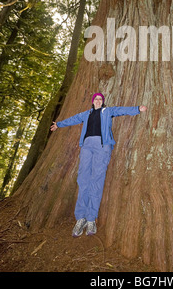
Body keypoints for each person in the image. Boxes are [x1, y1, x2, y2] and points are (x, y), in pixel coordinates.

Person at [50, 93, 147, 237]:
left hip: (102, 147)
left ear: (103, 102)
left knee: (96, 180)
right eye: (96, 99)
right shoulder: (86, 114)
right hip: (87, 147)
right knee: (83, 180)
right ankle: (80, 218)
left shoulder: (107, 111)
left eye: (100, 99)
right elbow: (73, 119)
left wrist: (137, 109)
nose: (98, 100)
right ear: (92, 101)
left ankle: (91, 219)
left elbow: (121, 110)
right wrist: (59, 124)